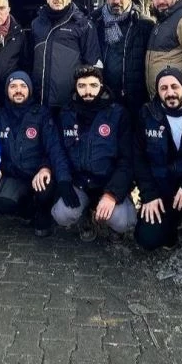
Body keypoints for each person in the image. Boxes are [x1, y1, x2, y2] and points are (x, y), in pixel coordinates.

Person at [51, 66, 136, 241]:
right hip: (80, 182)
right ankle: (85, 216)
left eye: (93, 85)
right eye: (82, 86)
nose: (87, 91)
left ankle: (114, 215)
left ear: (102, 86)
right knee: (62, 214)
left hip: (108, 182)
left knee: (122, 221)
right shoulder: (66, 113)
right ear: (75, 87)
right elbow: (58, 152)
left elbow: (127, 160)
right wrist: (64, 180)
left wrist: (113, 193)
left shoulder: (118, 114)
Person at [134, 67, 182, 251]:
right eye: (163, 88)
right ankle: (172, 226)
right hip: (163, 191)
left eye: (174, 87)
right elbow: (138, 158)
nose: (170, 93)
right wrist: (149, 194)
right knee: (147, 239)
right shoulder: (147, 114)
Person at [0, 71, 69, 237]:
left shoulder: (41, 114)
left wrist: (46, 167)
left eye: (23, 86)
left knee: (45, 188)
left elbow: (54, 147)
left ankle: (43, 211)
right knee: (2, 203)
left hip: (37, 173)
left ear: (30, 90)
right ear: (7, 90)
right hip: (13, 174)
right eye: (13, 86)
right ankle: (27, 209)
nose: (18, 90)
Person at [31, 0, 102, 110]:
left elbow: (93, 66)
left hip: (71, 104)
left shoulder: (83, 24)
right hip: (40, 102)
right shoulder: (36, 24)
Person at [91, 0, 153, 119]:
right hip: (103, 96)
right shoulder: (94, 23)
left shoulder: (144, 25)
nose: (117, 0)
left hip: (135, 99)